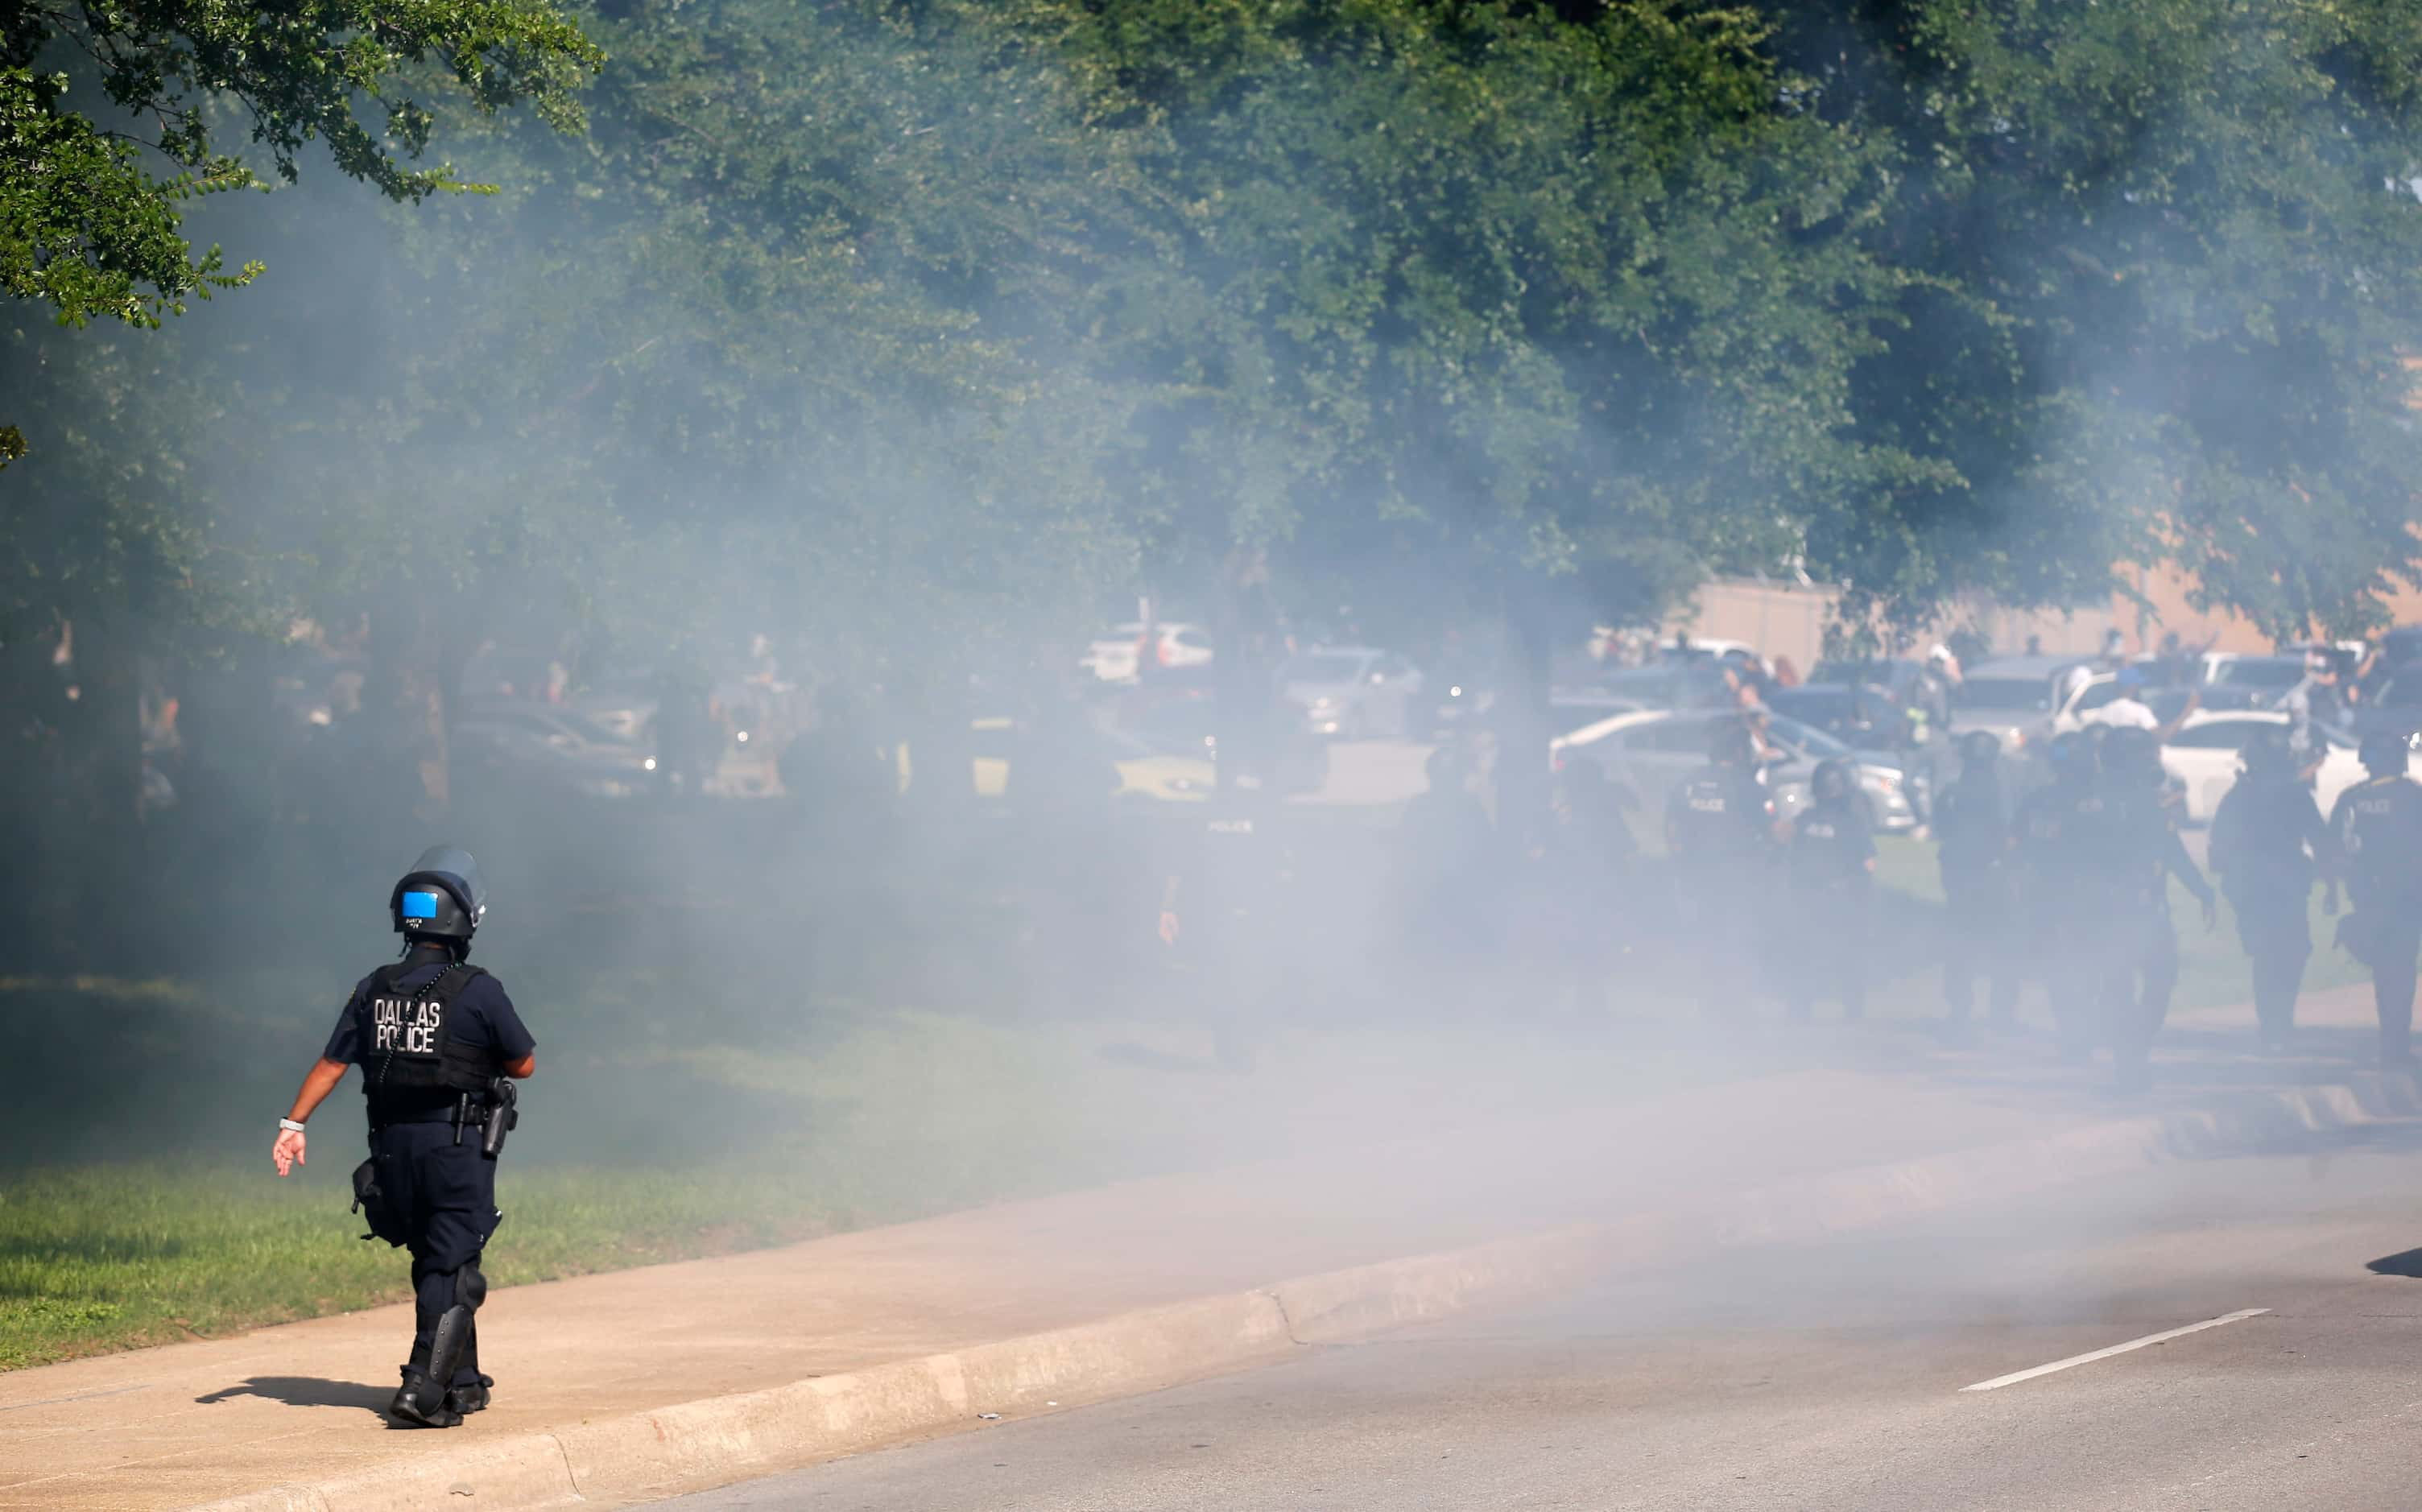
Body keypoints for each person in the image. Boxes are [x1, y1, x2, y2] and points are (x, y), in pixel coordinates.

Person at [271, 847, 536, 1427]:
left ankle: (462, 1383)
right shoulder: (479, 989)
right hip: (455, 1148)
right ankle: (423, 1387)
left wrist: (294, 1126)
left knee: (433, 1260)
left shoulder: (373, 988)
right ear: (464, 920)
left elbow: (331, 1065)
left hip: (392, 1151)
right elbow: (523, 1066)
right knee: (456, 1270)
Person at [2094, 726, 2216, 1089]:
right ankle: (2126, 1063)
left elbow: (2171, 849)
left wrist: (2202, 891)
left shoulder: (2149, 801)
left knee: (2160, 983)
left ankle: (2134, 1052)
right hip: (2108, 915)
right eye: (2140, 756)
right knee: (2117, 990)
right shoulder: (2097, 802)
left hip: (2151, 915)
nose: (2150, 762)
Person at [2209, 723, 2325, 1051]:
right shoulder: (2295, 794)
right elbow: (2322, 840)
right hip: (2282, 887)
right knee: (2290, 954)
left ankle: (2274, 1027)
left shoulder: (2237, 797)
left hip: (2254, 888)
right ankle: (2279, 1024)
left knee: (2268, 957)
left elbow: (2218, 851)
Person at [1665, 719, 1778, 1017]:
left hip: (1698, 879)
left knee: (1707, 938)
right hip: (1739, 881)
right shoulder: (1748, 788)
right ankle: (1737, 1007)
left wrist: (1681, 861)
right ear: (1740, 751)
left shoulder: (1688, 782)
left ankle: (1709, 1004)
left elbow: (1672, 826)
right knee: (1740, 939)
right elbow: (1772, 832)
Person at [2325, 729, 2422, 1068]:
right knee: (2401, 971)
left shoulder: (2351, 798)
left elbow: (2332, 850)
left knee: (2386, 971)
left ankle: (2391, 1042)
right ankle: (2395, 1045)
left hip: (2368, 899)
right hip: (2408, 899)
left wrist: (2333, 892)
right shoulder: (2414, 795)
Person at [2014, 731, 2110, 1061]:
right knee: (2085, 966)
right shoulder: (2100, 801)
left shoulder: (2039, 798)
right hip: (2083, 897)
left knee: (2061, 967)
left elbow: (2019, 846)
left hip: (2050, 895)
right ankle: (2079, 1031)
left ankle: (2073, 1031)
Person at [1934, 729, 2019, 1033]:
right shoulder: (2001, 792)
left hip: (1960, 880)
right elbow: (2010, 835)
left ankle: (1960, 1011)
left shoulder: (1951, 792)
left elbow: (1940, 829)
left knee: (1961, 947)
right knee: (2003, 947)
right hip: (1993, 877)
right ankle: (2002, 1013)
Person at [1783, 758, 1875, 1020]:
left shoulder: (1805, 820)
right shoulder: (1853, 824)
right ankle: (1852, 1010)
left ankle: (1801, 1008)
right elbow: (1868, 864)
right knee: (1849, 956)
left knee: (1805, 954)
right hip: (1842, 903)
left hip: (1806, 899)